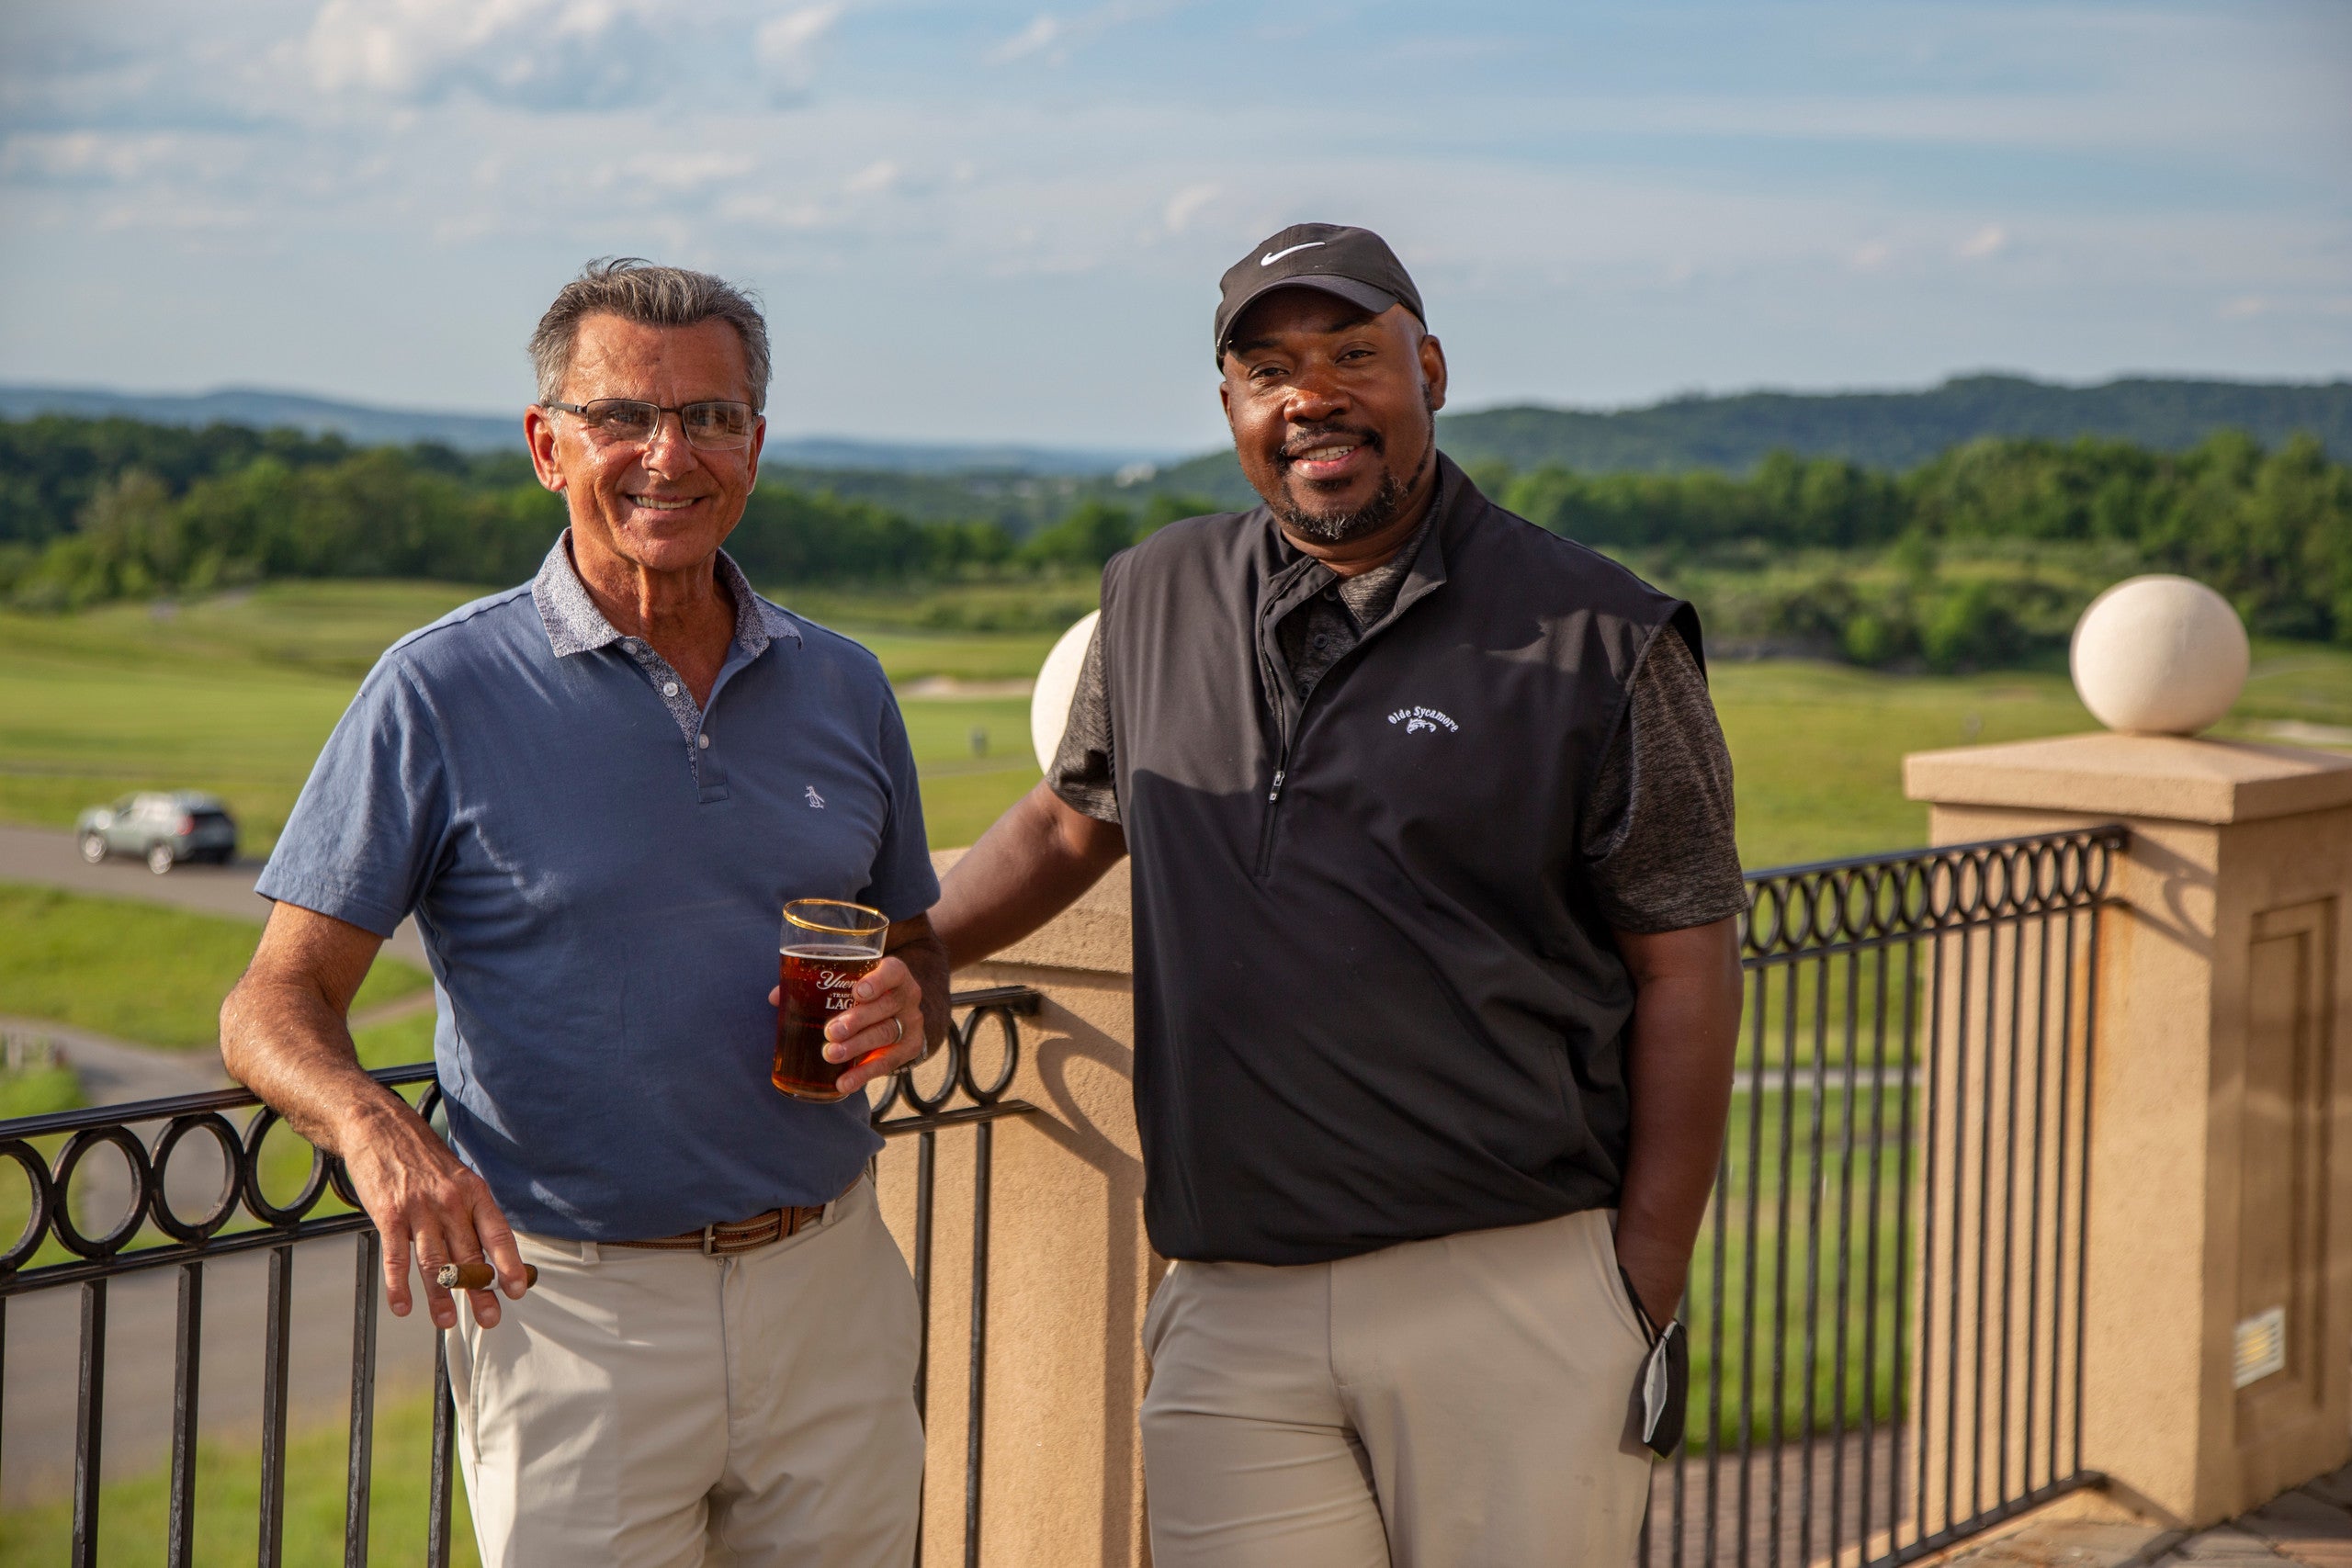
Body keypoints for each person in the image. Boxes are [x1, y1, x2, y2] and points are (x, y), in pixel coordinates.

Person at [929, 223, 1747, 1566]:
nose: (1311, 394)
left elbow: (1687, 965)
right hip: (1228, 1304)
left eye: (1352, 355)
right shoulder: (1153, 593)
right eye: (1267, 368)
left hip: (1509, 1285)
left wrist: (1636, 1286)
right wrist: (918, 946)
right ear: (1233, 409)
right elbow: (1074, 819)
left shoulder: (1603, 634)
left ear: (1427, 368)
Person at [220, 258, 944, 1567]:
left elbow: (918, 945)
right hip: (573, 1314)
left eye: (711, 419)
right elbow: (274, 1000)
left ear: (756, 449)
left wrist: (912, 998)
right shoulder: (434, 691)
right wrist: (379, 1133)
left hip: (833, 1284)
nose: (669, 455)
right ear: (549, 447)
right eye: (623, 418)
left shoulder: (847, 686)